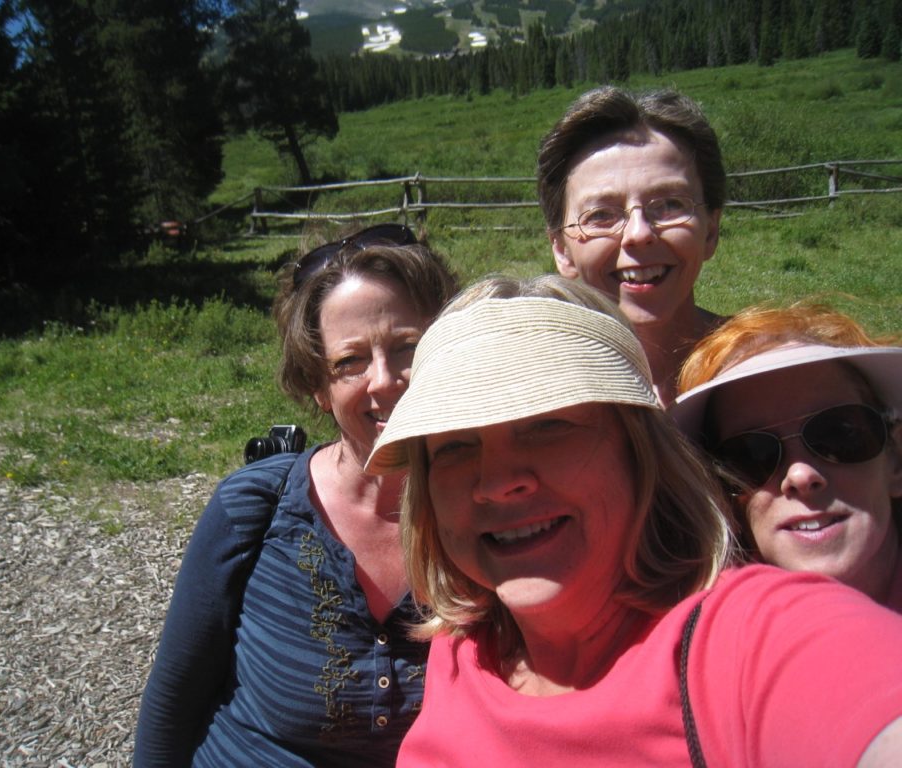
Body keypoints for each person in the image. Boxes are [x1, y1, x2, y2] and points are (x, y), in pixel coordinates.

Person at [364, 274, 902, 766]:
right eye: (455, 445)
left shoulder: (742, 639)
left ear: (639, 452)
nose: (496, 481)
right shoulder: (462, 647)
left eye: (548, 425)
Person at [134, 223, 458, 767]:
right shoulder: (255, 507)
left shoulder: (494, 514)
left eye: (408, 346)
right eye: (350, 361)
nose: (384, 380)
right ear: (317, 386)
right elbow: (173, 701)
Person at [671, 302, 902, 610]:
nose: (801, 476)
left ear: (896, 460)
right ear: (723, 500)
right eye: (751, 456)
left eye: (838, 435)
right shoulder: (702, 635)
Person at [537, 86, 725, 405]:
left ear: (710, 230)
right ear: (561, 250)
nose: (638, 233)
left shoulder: (768, 370)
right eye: (601, 215)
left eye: (669, 205)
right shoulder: (538, 393)